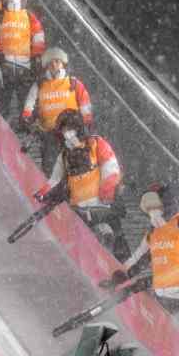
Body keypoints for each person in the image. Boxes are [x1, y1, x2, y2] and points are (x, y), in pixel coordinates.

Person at [102, 183, 179, 342]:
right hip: (163, 298)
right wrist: (120, 275)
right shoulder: (154, 232)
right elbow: (139, 258)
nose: (150, 212)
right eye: (147, 208)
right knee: (166, 340)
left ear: (164, 204)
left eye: (153, 206)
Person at [34, 110, 130, 260]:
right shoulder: (64, 156)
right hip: (80, 210)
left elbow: (111, 169)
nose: (67, 134)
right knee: (88, 248)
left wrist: (108, 194)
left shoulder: (96, 144)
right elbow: (55, 179)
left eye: (69, 129)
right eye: (64, 130)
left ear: (78, 128)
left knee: (116, 240)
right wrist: (43, 193)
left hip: (101, 206)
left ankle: (123, 266)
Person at [20, 46, 93, 171]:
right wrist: (26, 117)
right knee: (50, 166)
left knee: (75, 162)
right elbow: (30, 102)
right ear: (46, 66)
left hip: (71, 132)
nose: (54, 65)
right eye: (51, 63)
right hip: (49, 134)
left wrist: (86, 122)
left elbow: (85, 104)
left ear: (63, 64)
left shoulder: (73, 83)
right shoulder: (40, 84)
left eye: (57, 61)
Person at [0, 0, 44, 119]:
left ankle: (23, 124)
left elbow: (38, 36)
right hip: (6, 64)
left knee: (24, 99)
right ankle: (0, 121)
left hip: (24, 65)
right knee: (4, 97)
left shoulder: (29, 17)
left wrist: (36, 55)